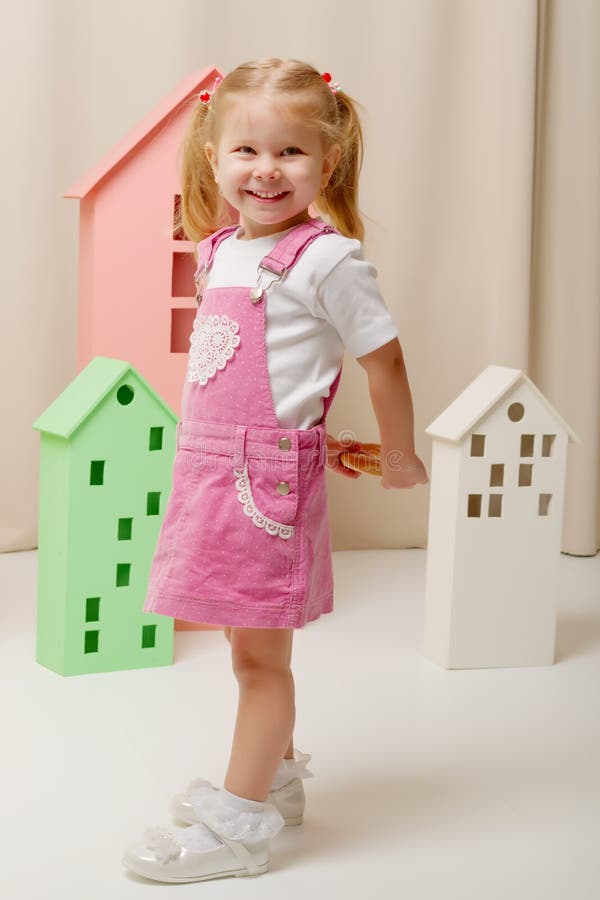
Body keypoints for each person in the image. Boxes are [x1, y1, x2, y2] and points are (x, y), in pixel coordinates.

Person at [123, 57, 428, 884]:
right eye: (247, 151)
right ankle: (277, 777)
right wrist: (310, 432)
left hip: (262, 488)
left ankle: (239, 825)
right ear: (213, 158)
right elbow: (271, 380)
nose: (266, 170)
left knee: (262, 661)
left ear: (325, 163)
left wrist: (399, 458)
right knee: (240, 642)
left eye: (290, 152)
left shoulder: (327, 260)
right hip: (212, 472)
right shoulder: (221, 249)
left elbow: (385, 360)